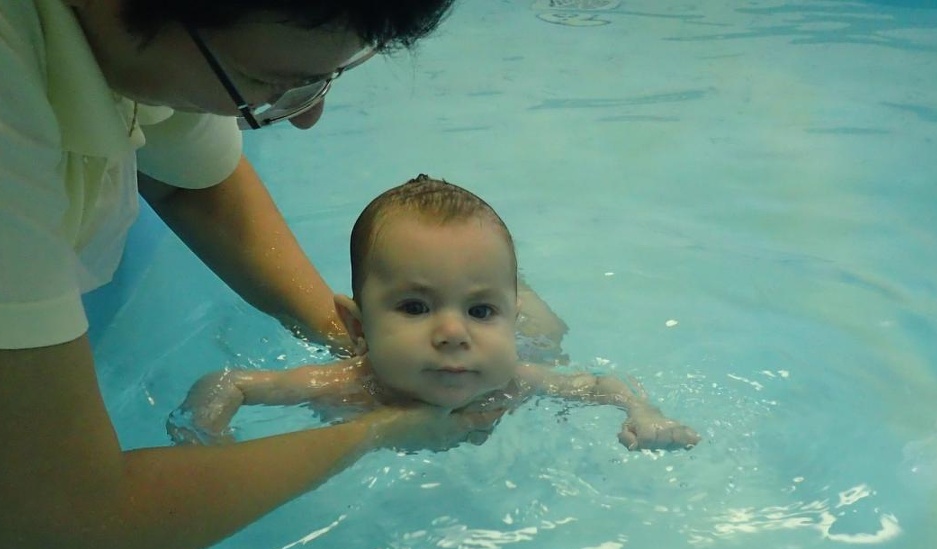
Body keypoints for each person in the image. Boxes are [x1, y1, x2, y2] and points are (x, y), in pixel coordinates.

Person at [0, 0, 496, 549]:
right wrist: (380, 430)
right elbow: (53, 539)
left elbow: (192, 182)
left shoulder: (160, 36)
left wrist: (356, 344)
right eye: (272, 85)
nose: (309, 117)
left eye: (325, 78)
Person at [171, 176, 701, 452]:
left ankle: (510, 297)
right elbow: (226, 383)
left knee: (548, 339)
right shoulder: (348, 386)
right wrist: (208, 444)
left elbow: (604, 385)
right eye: (415, 307)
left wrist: (643, 414)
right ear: (358, 328)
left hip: (522, 332)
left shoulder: (514, 380)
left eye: (477, 310)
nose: (451, 333)